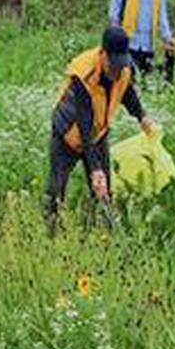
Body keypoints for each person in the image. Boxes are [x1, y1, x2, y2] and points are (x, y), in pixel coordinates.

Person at [45, 26, 154, 231]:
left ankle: (102, 234)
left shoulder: (123, 70)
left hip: (97, 133)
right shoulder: (83, 73)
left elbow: (127, 93)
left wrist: (142, 116)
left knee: (104, 192)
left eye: (120, 65)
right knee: (56, 190)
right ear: (102, 53)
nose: (115, 71)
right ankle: (51, 235)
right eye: (112, 64)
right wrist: (95, 170)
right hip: (68, 134)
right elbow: (84, 123)